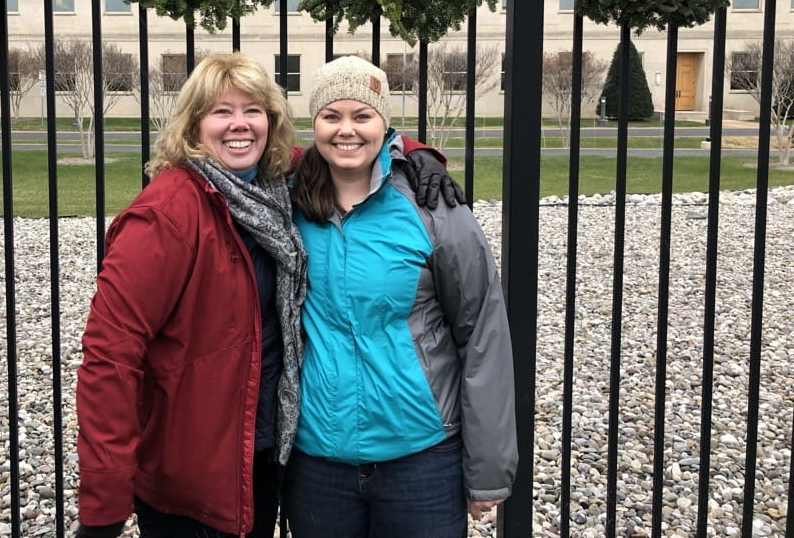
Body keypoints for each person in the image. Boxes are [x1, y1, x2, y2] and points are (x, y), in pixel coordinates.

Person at [75, 52, 462, 538]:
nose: (239, 124)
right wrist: (103, 505)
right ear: (194, 125)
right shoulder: (165, 216)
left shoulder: (271, 189)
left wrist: (413, 153)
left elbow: (350, 137)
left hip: (259, 457)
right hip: (193, 478)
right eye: (221, 111)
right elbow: (110, 358)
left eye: (253, 110)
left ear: (271, 122)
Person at [283, 55, 517, 538]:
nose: (346, 130)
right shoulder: (288, 203)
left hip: (421, 459)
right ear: (315, 124)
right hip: (318, 462)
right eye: (331, 116)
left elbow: (482, 336)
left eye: (362, 115)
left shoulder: (433, 206)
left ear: (384, 121)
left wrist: (487, 467)